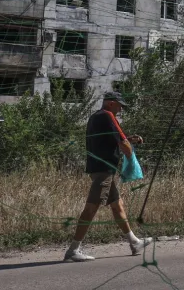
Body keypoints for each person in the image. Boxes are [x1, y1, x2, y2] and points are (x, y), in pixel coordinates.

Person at [64, 91, 153, 262]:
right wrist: (131, 159)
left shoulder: (94, 118)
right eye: (119, 105)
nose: (120, 109)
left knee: (117, 205)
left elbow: (109, 140)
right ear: (111, 103)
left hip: (98, 169)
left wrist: (128, 139)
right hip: (103, 170)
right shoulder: (108, 116)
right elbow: (123, 144)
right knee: (91, 209)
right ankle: (73, 250)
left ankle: (134, 242)